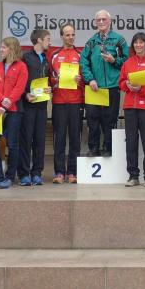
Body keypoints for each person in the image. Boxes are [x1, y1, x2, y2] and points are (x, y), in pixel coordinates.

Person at [80, 10, 129, 157]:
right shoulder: (91, 41)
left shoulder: (119, 40)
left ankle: (109, 148)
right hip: (94, 87)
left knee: (110, 119)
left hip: (112, 87)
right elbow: (83, 62)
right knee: (92, 119)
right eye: (98, 20)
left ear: (110, 21)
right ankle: (93, 148)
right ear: (95, 22)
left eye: (104, 19)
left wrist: (114, 61)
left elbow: (127, 62)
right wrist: (90, 79)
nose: (101, 22)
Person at [0, 37, 29, 189]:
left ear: (11, 49)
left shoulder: (21, 66)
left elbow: (19, 89)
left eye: (3, 47)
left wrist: (7, 104)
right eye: (1, 47)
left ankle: (9, 177)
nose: (1, 49)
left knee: (12, 144)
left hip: (14, 110)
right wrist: (2, 101)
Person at [119, 32, 145, 187]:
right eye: (135, 42)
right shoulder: (128, 63)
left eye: (141, 42)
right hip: (130, 106)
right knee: (131, 142)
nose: (138, 45)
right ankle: (133, 176)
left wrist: (141, 89)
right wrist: (126, 85)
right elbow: (121, 82)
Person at [49, 24, 84, 184]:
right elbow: (49, 78)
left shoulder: (80, 54)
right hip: (59, 102)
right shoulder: (55, 55)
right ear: (62, 36)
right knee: (59, 138)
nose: (71, 37)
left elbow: (87, 77)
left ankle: (72, 172)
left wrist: (80, 80)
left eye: (73, 35)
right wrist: (55, 79)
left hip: (76, 102)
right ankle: (59, 172)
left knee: (75, 138)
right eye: (67, 35)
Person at [19, 29, 52, 186]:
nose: (49, 42)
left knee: (40, 139)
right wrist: (25, 94)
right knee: (26, 139)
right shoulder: (25, 57)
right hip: (27, 104)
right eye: (47, 39)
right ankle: (24, 173)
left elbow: (47, 80)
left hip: (42, 105)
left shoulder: (46, 59)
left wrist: (49, 88)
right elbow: (19, 79)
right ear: (39, 40)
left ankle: (37, 172)